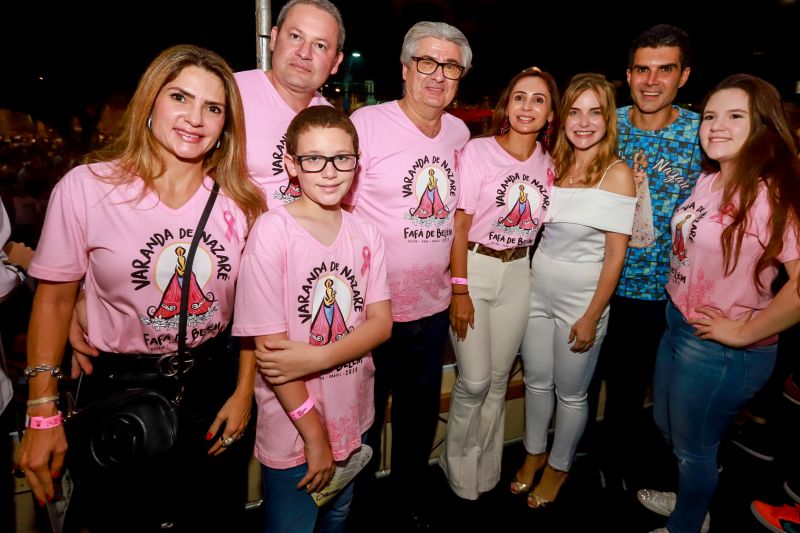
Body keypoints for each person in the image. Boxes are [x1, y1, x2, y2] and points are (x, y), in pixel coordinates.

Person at [17, 44, 266, 532]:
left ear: (226, 125)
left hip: (213, 387)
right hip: (119, 387)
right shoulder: (87, 188)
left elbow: (253, 311)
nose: (195, 118)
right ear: (150, 103)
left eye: (213, 108)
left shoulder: (243, 204)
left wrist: (242, 394)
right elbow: (53, 301)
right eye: (180, 97)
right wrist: (42, 412)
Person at [639, 74, 800, 533]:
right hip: (679, 325)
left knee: (694, 448)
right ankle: (697, 486)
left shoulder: (771, 194)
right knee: (671, 428)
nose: (716, 126)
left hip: (722, 348)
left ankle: (688, 523)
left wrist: (744, 331)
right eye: (710, 115)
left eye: (735, 116)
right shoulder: (710, 179)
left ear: (763, 127)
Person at [232, 105, 392, 533]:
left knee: (337, 514)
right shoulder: (272, 231)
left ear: (357, 164)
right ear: (291, 164)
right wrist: (315, 438)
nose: (329, 171)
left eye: (342, 158)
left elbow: (381, 323)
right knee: (293, 525)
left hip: (353, 413)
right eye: (313, 158)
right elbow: (273, 357)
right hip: (296, 425)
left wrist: (316, 357)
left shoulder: (367, 234)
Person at [343, 20, 472, 528]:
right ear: (404, 69)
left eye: (450, 66)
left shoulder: (460, 132)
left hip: (431, 310)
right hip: (371, 311)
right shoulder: (367, 124)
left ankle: (409, 504)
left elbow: (459, 215)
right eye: (426, 62)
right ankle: (359, 512)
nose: (437, 75)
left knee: (419, 422)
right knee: (365, 422)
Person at [586, 24, 704, 491]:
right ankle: (588, 459)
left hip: (663, 294)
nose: (651, 80)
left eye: (665, 69)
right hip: (597, 282)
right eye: (642, 69)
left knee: (636, 394)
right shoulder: (604, 124)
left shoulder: (702, 135)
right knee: (584, 383)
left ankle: (618, 469)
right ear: (628, 73)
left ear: (684, 75)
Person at [511, 73, 636, 508]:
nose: (583, 122)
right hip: (537, 287)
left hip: (582, 298)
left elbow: (616, 257)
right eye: (575, 112)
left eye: (594, 112)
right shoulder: (555, 164)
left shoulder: (618, 175)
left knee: (571, 392)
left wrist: (591, 315)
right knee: (537, 383)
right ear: (562, 119)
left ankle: (560, 467)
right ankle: (533, 454)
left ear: (608, 119)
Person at [440, 66, 559, 501]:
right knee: (472, 382)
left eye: (539, 100)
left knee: (495, 381)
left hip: (518, 272)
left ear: (550, 113)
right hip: (475, 266)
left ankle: (485, 472)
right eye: (520, 97)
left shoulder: (551, 165)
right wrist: (459, 290)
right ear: (506, 106)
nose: (528, 107)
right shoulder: (479, 152)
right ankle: (457, 471)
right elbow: (460, 225)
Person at [235, 0, 344, 207]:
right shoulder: (230, 94)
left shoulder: (333, 123)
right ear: (274, 38)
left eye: (320, 45)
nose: (304, 53)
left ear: (336, 62)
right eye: (295, 37)